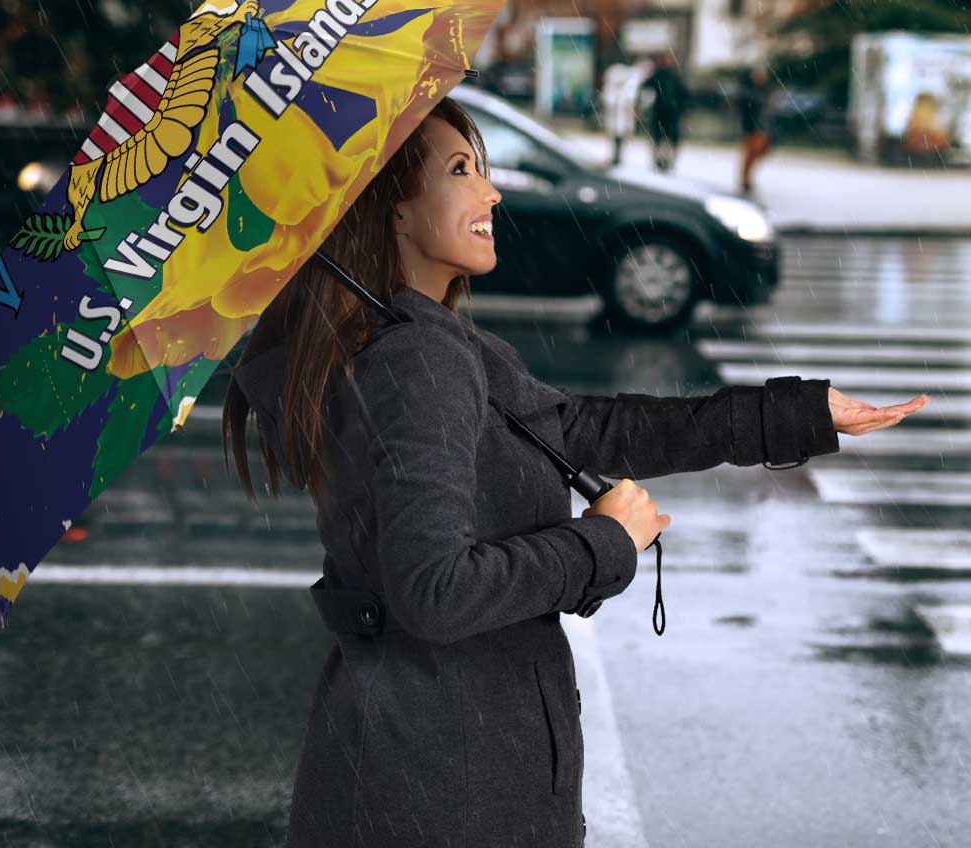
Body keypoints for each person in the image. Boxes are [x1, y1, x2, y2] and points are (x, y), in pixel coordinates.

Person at [222, 95, 924, 848]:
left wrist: (797, 415)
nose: (491, 192)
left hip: (430, 766)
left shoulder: (423, 341)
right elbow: (434, 592)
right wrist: (603, 543)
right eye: (461, 170)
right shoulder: (416, 360)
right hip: (444, 787)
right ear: (392, 208)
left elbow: (586, 429)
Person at [639, 50, 689, 173]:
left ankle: (666, 161)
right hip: (662, 112)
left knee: (667, 139)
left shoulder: (672, 76)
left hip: (670, 112)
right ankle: (660, 161)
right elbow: (645, 88)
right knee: (660, 138)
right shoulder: (659, 75)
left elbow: (683, 94)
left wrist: (682, 108)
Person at [737, 63, 773, 195]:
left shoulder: (764, 90)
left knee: (759, 152)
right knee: (751, 153)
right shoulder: (749, 91)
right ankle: (745, 179)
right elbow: (746, 110)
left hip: (761, 127)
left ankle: (747, 178)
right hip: (752, 127)